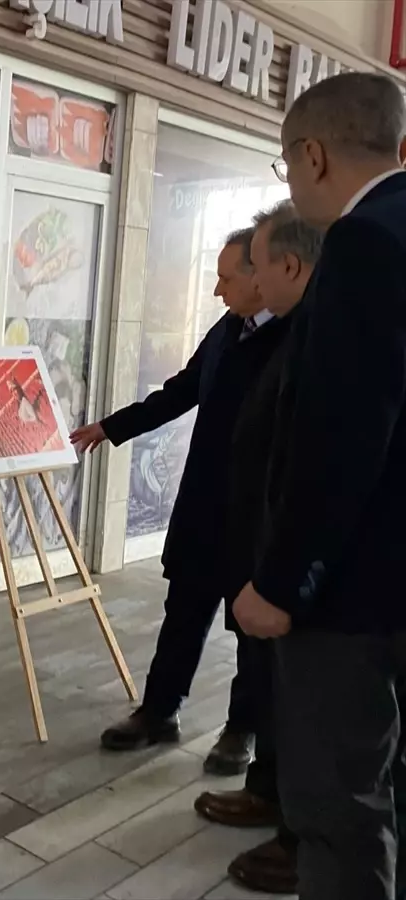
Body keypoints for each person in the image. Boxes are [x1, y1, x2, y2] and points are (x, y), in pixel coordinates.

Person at [230, 72, 406, 900]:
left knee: (336, 812)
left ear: (312, 153)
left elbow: (342, 435)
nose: (293, 185)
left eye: (287, 167)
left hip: (354, 594)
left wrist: (281, 581)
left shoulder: (367, 242)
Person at [72, 231, 268, 774]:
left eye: (227, 278)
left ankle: (242, 727)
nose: (217, 289)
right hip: (205, 503)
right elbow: (182, 391)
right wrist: (112, 428)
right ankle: (159, 711)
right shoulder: (228, 331)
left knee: (251, 630)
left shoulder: (298, 338)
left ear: (265, 274)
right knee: (182, 612)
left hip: (257, 516)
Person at [191, 200, 321, 896]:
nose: (243, 285)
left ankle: (306, 839)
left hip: (300, 563)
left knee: (313, 708)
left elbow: (318, 464)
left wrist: (281, 573)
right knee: (272, 683)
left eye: (254, 268)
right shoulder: (271, 329)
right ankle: (271, 796)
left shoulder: (325, 331)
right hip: (257, 541)